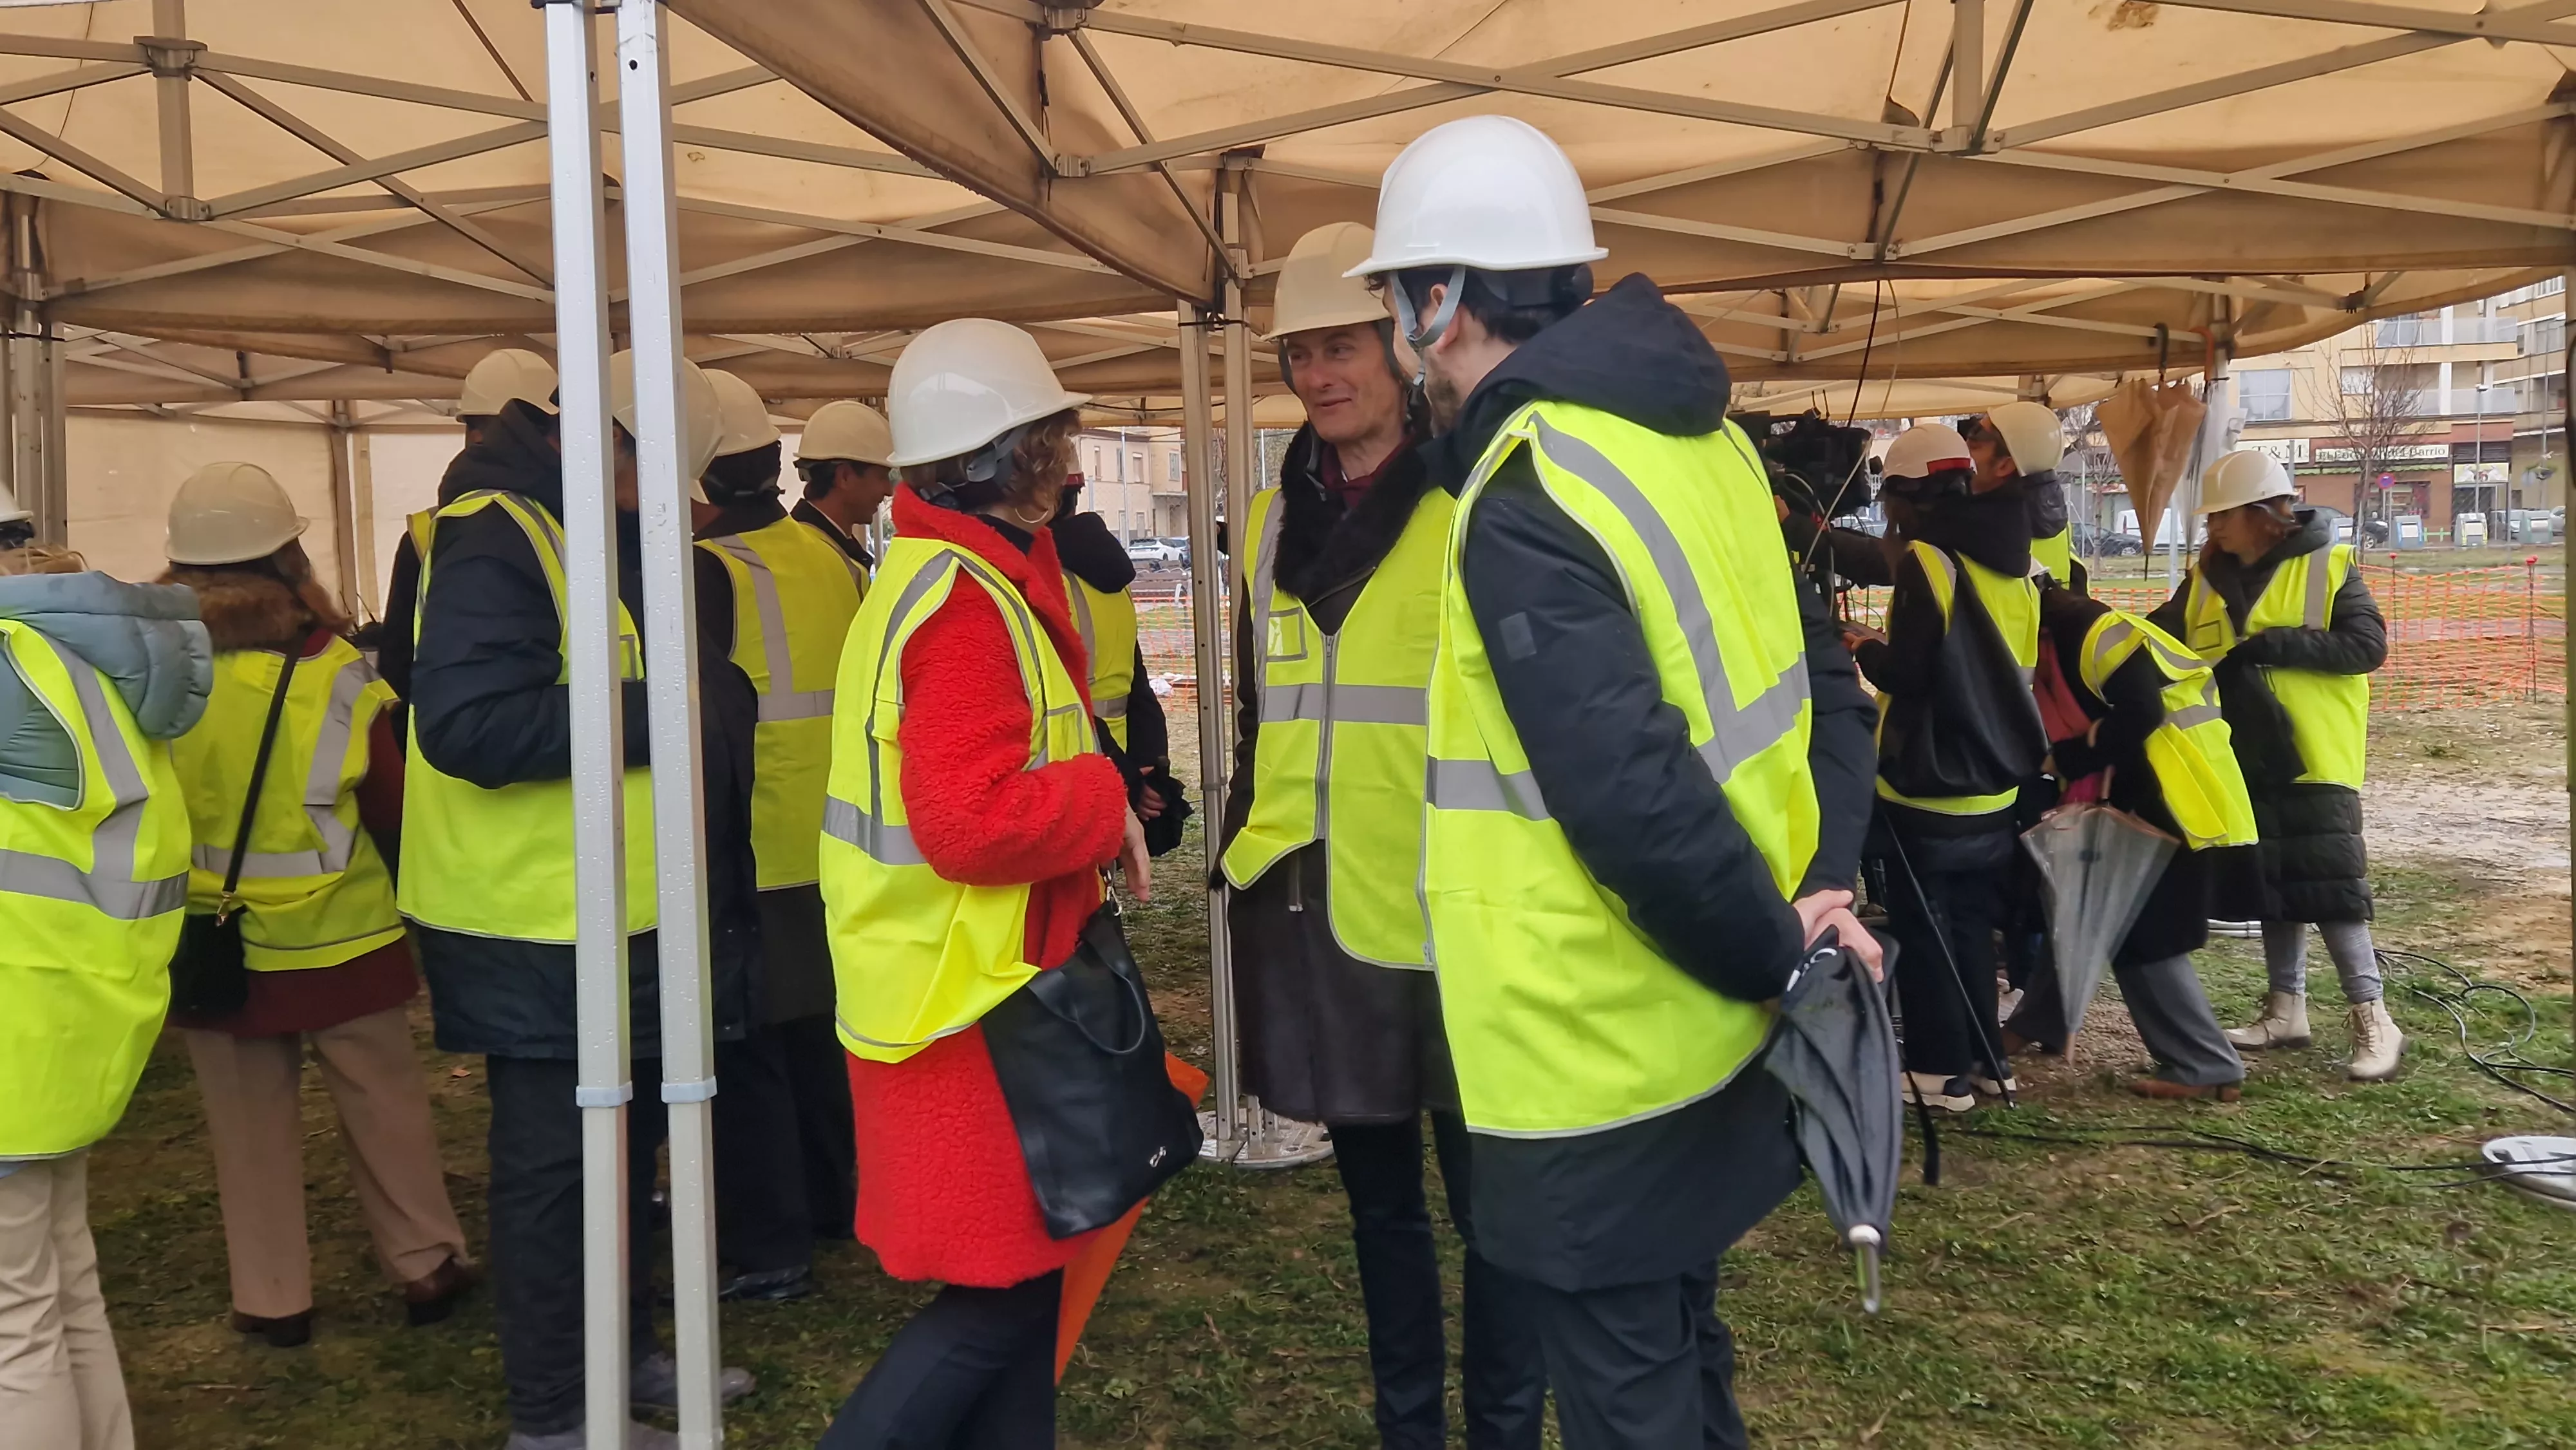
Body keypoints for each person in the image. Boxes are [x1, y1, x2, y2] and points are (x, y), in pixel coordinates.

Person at [1352, 115, 1880, 1450]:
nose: (1393, 343)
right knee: (1682, 1359)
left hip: (1594, 1051)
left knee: (1629, 1397)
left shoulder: (1527, 493)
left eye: (1393, 305)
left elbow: (1629, 796)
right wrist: (1814, 893)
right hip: (1706, 1023)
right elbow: (1819, 682)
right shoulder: (1702, 451)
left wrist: (1775, 945)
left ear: (1441, 300)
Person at [1213, 220, 1545, 1450]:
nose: (1318, 377)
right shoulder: (1264, 525)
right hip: (1325, 914)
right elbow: (1264, 720)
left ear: (1401, 347)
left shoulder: (1474, 498)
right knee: (1379, 1214)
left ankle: (1504, 1429)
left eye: (1341, 346)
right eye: (1300, 355)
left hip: (1459, 912)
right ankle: (1412, 1426)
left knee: (1493, 1211)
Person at [403, 353, 761, 1450]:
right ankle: (557, 1415)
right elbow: (466, 725)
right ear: (611, 443)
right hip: (532, 928)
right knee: (557, 1173)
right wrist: (669, 709)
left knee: (632, 1147)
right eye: (670, 477)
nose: (687, 507)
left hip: (613, 917)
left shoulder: (590, 534)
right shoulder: (496, 536)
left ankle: (626, 1354)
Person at [817, 318, 1150, 1448]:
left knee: (1026, 1286)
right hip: (967, 1003)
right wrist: (1104, 806)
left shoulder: (938, 573)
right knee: (995, 1302)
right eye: (1051, 438)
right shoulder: (962, 600)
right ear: (1002, 457)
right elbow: (968, 822)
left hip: (960, 987)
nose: (1067, 458)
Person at [158, 464, 475, 1350]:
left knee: (245, 1132)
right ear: (290, 559)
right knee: (387, 1110)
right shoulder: (333, 674)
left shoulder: (157, 675)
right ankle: (425, 1266)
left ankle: (271, 1298)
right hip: (344, 938)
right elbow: (391, 808)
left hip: (214, 944)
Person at [0, 503, 207, 1450]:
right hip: (73, 1018)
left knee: (14, 1324)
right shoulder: (83, 654)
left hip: (16, 1017)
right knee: (58, 1282)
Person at [2152, 450, 2401, 1080]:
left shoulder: (2330, 566)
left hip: (2314, 753)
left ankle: (2372, 1016)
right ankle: (2284, 1007)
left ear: (2264, 514)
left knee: (2332, 892)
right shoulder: (2207, 576)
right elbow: (2161, 635)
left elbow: (2365, 645)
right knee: (2271, 885)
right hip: (2243, 751)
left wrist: (2274, 645)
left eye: (2222, 516)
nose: (2213, 530)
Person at [694, 369, 864, 1292]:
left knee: (748, 1051)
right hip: (831, 840)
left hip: (752, 847)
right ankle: (836, 1207)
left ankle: (771, 1249)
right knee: (816, 1041)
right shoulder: (830, 557)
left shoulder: (709, 569)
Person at [1851, 422, 2047, 1115]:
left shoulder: (1929, 562)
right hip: (1993, 780)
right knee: (1967, 924)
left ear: (1904, 495)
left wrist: (1862, 646)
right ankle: (1988, 1061)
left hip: (1928, 781)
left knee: (1924, 930)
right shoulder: (2016, 559)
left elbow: (1910, 672)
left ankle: (1938, 1074)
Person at [2003, 582, 2259, 1100]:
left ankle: (2205, 1061)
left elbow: (2141, 712)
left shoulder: (2087, 633)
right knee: (2075, 902)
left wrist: (2069, 761)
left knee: (2143, 928)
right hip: (2147, 784)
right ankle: (2042, 1021)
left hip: (2173, 789)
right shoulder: (2063, 633)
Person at [381, 348, 560, 705]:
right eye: (472, 425)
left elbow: (397, 667)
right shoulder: (425, 534)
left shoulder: (429, 532)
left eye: (487, 425)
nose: (477, 438)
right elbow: (398, 662)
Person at [1048, 480, 1189, 852]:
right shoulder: (1111, 579)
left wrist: (1127, 773)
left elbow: (1062, 693)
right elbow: (1138, 683)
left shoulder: (1052, 582)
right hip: (1114, 756)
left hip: (1079, 758)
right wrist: (1144, 767)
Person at [1966, 400, 2083, 591]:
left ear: (2004, 466)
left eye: (1974, 444)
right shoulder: (2060, 525)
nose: (1964, 453)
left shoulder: (1976, 529)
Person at [793, 400, 900, 570]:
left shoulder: (828, 548)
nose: (888, 491)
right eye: (881, 477)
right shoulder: (811, 560)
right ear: (845, 477)